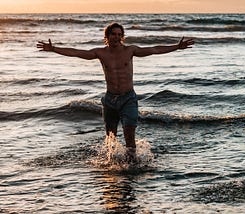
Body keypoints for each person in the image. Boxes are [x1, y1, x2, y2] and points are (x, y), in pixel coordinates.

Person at [37, 22, 194, 160]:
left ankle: (132, 166)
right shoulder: (101, 53)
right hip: (110, 100)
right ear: (107, 35)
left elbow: (154, 49)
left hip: (128, 99)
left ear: (122, 37)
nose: (116, 37)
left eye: (119, 34)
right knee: (110, 138)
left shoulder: (130, 50)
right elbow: (77, 53)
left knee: (129, 136)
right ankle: (111, 165)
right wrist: (54, 49)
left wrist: (176, 47)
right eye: (113, 34)